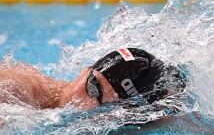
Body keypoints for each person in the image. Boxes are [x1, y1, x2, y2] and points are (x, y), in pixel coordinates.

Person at [0, 48, 185, 110]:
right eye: (92, 86)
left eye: (104, 104)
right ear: (85, 71)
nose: (87, 104)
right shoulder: (16, 90)